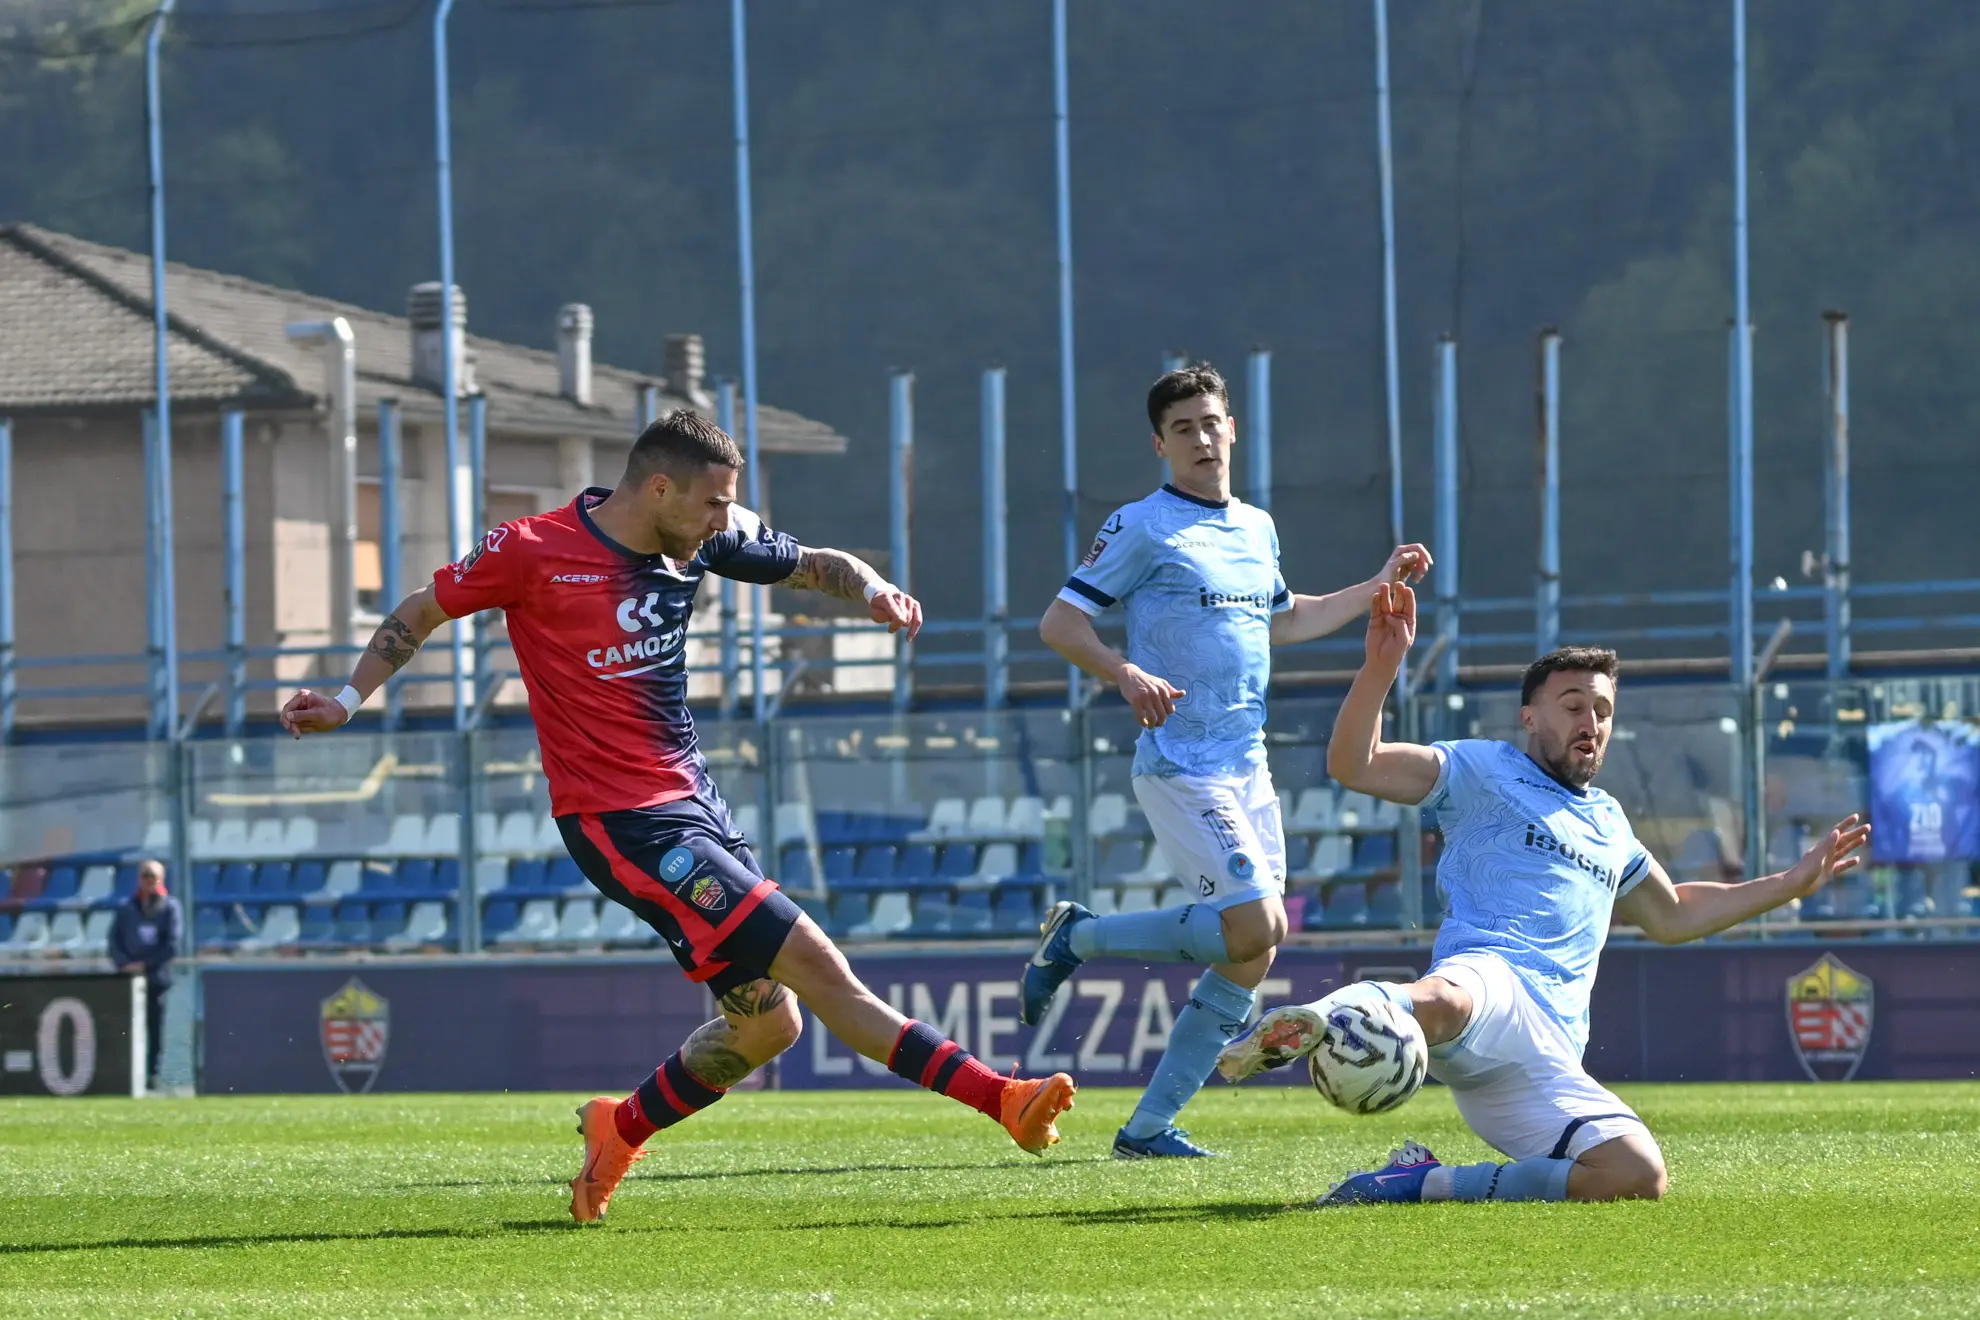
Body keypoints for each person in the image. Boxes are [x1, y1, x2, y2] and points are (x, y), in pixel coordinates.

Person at [280, 410, 1076, 1222]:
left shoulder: (698, 536)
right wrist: (348, 700)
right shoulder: (533, 550)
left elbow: (813, 563)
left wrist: (874, 589)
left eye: (728, 506)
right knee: (817, 963)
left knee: (769, 1028)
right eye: (712, 504)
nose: (724, 521)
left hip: (694, 806)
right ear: (659, 488)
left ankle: (617, 1129)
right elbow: (422, 608)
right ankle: (1003, 1098)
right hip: (622, 824)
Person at [1217, 582, 1870, 1203]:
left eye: (1604, 710)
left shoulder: (1610, 822)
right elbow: (1352, 765)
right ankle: (1325, 1018)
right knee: (1445, 996)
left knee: (1635, 1174)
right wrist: (1381, 667)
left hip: (1547, 1050)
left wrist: (1789, 883)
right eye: (1575, 705)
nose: (1592, 721)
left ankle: (1420, 1183)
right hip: (1490, 981)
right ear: (1530, 715)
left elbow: (1672, 915)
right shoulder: (1481, 769)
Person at [1019, 362, 1430, 1158]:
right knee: (1256, 923)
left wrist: (1373, 585)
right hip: (1179, 762)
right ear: (1160, 446)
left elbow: (1286, 618)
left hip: (1249, 765)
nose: (1202, 439)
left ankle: (1147, 1128)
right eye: (1184, 429)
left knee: (1253, 951)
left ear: (1232, 430)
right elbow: (1059, 623)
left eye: (1212, 423)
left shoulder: (1256, 527)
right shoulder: (1142, 526)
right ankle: (1080, 939)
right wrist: (1124, 671)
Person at [107, 859, 180, 1091]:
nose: (149, 882)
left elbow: (173, 944)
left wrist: (145, 964)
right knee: (125, 1026)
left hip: (156, 978)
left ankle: (152, 1074)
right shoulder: (128, 908)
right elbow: (114, 940)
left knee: (154, 1026)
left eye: (153, 877)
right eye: (145, 876)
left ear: (161, 879)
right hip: (128, 979)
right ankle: (124, 1073)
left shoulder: (170, 908)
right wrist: (124, 963)